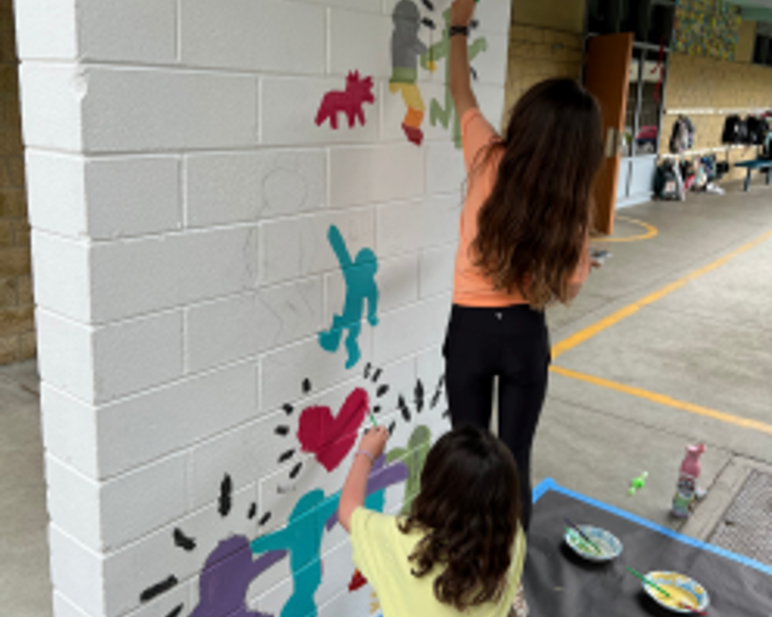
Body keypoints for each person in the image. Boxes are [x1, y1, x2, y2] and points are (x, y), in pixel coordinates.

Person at [444, 0, 605, 532]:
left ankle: (461, 580)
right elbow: (570, 288)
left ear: (527, 120)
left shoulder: (488, 156)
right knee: (515, 462)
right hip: (523, 336)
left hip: (469, 329)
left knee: (466, 463)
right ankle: (509, 589)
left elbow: (461, 90)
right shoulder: (571, 207)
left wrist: (458, 26)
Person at [339, 424, 527, 617]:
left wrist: (365, 454)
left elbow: (347, 510)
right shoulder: (511, 536)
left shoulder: (402, 544)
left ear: (431, 484)